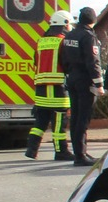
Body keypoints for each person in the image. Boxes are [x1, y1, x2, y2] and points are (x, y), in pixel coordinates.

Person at [25, 10, 75, 160]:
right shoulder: (63, 41)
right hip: (58, 87)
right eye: (70, 24)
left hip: (41, 87)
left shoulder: (41, 41)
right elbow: (67, 64)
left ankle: (31, 150)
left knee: (40, 121)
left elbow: (35, 61)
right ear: (65, 24)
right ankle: (61, 151)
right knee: (59, 121)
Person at [60, 6, 105, 166]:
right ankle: (81, 156)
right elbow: (93, 61)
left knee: (75, 117)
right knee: (83, 119)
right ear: (93, 20)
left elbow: (63, 58)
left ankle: (79, 152)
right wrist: (99, 84)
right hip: (85, 80)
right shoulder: (88, 37)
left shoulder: (69, 35)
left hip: (72, 78)